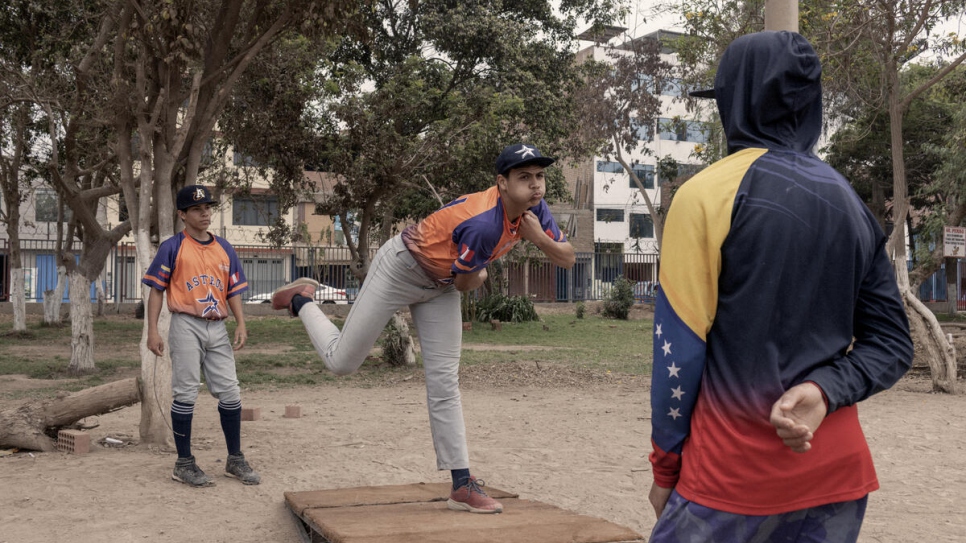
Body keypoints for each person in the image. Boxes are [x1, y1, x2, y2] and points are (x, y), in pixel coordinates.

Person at [648, 31, 913, 542]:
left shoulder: (703, 196)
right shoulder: (850, 203)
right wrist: (823, 389)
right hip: (835, 482)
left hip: (729, 482)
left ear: (735, 101)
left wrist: (664, 471)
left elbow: (678, 355)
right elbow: (892, 344)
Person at [271, 143, 576, 513]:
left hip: (441, 284)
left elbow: (568, 258)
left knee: (445, 382)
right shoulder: (483, 224)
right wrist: (480, 274)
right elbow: (467, 283)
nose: (536, 186)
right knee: (342, 362)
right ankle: (301, 301)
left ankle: (462, 485)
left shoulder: (534, 210)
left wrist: (539, 237)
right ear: (502, 182)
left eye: (540, 176)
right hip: (403, 266)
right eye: (524, 177)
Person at [143, 184, 261, 487]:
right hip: (185, 323)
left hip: (217, 326)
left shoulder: (224, 247)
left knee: (230, 392)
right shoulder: (172, 246)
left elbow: (232, 290)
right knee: (185, 392)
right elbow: (157, 291)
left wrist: (241, 323)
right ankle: (183, 463)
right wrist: (153, 330)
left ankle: (234, 459)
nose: (205, 212)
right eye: (197, 208)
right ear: (183, 214)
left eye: (208, 207)